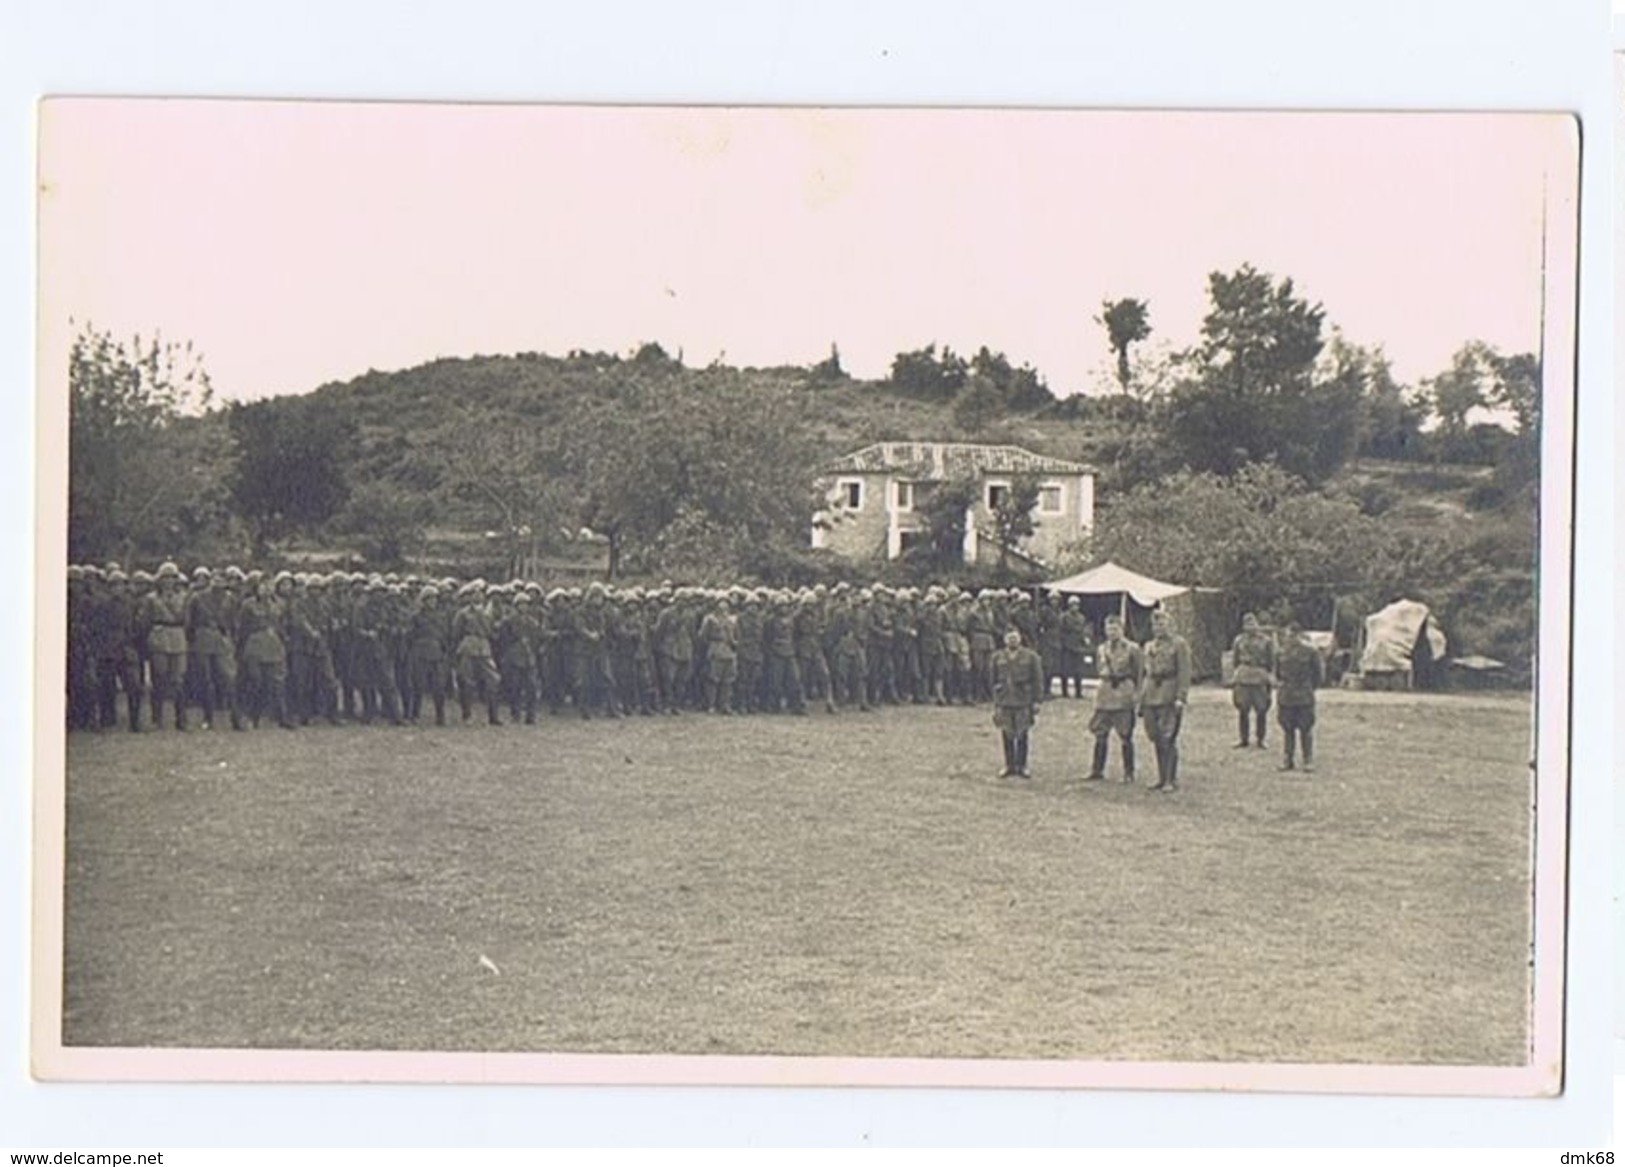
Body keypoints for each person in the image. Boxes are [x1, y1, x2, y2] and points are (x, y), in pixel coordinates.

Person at [1139, 607, 1193, 793]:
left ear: (1170, 625)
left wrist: (1181, 697)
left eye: (1162, 624)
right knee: (1155, 736)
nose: (1159, 628)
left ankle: (1170, 779)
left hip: (1169, 693)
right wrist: (1141, 698)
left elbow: (1184, 672)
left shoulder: (1179, 644)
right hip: (1151, 693)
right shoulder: (1148, 646)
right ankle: (1161, 777)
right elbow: (1144, 673)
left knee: (1167, 737)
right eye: (1155, 624)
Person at [1085, 614, 1142, 783]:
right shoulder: (1102, 649)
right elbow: (1098, 668)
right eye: (1108, 629)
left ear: (1122, 629)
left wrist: (1137, 694)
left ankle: (1129, 772)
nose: (1111, 632)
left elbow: (1138, 673)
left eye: (1115, 628)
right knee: (1100, 732)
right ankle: (1097, 769)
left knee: (1125, 734)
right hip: (1105, 692)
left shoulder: (1132, 648)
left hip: (1123, 691)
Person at [990, 628, 1044, 778]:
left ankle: (1022, 765)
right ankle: (1009, 765)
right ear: (1004, 639)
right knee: (1006, 733)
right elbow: (992, 680)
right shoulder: (997, 657)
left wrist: (1037, 701)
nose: (1012, 640)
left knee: (1022, 733)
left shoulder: (1031, 656)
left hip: (1023, 700)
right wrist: (996, 702)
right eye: (1009, 637)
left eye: (1015, 637)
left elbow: (1038, 680)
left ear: (1020, 638)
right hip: (1005, 700)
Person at [1276, 620, 1325, 772]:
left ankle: (1307, 760)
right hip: (1286, 695)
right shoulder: (1281, 652)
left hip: (1304, 695)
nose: (1289, 638)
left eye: (1291, 635)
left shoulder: (1311, 652)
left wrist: (1310, 688)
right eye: (1287, 635)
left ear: (1298, 635)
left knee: (1306, 728)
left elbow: (1319, 675)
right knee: (1287, 729)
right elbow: (1278, 673)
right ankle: (1287, 760)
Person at [1229, 612, 1277, 749]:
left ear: (1257, 624)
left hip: (1260, 676)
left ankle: (1260, 739)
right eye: (1247, 624)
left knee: (1261, 710)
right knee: (1242, 710)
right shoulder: (1239, 640)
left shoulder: (1266, 641)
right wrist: (1237, 674)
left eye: (1252, 623)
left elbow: (1271, 660)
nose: (1250, 627)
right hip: (1243, 677)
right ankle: (1243, 739)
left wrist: (1270, 676)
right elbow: (1235, 660)